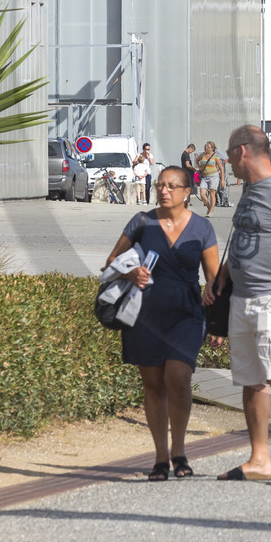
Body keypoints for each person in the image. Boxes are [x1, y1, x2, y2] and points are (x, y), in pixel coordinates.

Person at [205, 125, 271, 484]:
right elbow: (245, 238)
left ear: (242, 152)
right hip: (242, 298)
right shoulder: (249, 190)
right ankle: (259, 458)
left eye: (228, 153)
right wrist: (222, 276)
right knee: (251, 382)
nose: (226, 160)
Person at [104, 165, 220, 481]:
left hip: (186, 313)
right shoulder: (141, 221)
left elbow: (214, 280)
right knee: (153, 384)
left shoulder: (202, 228)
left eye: (172, 186)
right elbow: (111, 262)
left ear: (187, 192)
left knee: (178, 376)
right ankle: (160, 457)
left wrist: (218, 323)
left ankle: (179, 451)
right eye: (160, 185)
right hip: (144, 314)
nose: (164, 190)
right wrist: (130, 273)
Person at [195, 141, 225, 216]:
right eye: (205, 146)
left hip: (214, 176)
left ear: (212, 148)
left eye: (208, 147)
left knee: (212, 192)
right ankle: (209, 208)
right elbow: (196, 160)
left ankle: (211, 211)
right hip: (204, 177)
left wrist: (222, 180)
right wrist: (199, 168)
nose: (206, 148)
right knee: (202, 194)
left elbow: (221, 168)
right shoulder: (202, 155)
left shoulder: (215, 156)